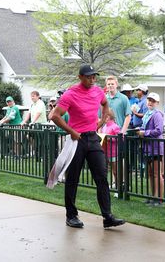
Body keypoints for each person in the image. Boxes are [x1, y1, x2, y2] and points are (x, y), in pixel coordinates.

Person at [50, 64, 125, 229]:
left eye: (94, 76)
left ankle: (107, 217)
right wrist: (71, 131)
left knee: (101, 177)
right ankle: (71, 216)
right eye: (89, 77)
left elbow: (105, 104)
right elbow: (54, 116)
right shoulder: (70, 95)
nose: (92, 79)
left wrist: (101, 121)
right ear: (80, 77)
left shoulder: (98, 91)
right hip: (77, 140)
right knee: (73, 178)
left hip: (93, 138)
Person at [137, 92, 165, 207]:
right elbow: (144, 127)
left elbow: (159, 131)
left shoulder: (157, 114)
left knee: (157, 174)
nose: (150, 102)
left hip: (156, 147)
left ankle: (159, 199)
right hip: (147, 147)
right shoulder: (147, 114)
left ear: (157, 103)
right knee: (150, 173)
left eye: (153, 101)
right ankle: (152, 196)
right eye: (149, 100)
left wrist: (145, 133)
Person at [99, 108, 121, 189]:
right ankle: (106, 186)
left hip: (113, 152)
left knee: (115, 171)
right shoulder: (104, 126)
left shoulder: (115, 126)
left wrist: (110, 139)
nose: (103, 117)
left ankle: (118, 187)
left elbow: (120, 138)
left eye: (105, 116)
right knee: (105, 170)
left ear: (108, 116)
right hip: (105, 151)